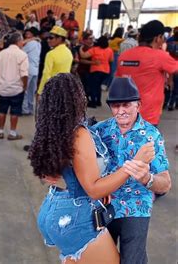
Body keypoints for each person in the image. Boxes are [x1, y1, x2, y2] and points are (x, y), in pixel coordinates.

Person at [30, 73, 154, 264]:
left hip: (54, 207)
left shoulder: (54, 132)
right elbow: (94, 189)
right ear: (77, 98)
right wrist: (133, 164)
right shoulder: (78, 134)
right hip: (76, 216)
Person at [91, 77, 172, 264]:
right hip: (103, 205)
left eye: (126, 105)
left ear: (138, 105)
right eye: (115, 106)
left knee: (133, 261)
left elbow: (165, 184)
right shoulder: (99, 131)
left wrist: (147, 178)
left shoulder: (151, 135)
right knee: (100, 260)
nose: (120, 111)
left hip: (136, 207)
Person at [116, 20, 178, 126]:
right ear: (157, 38)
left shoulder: (124, 56)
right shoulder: (159, 56)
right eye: (163, 38)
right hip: (147, 117)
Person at [0, 33, 28, 140]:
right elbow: (24, 74)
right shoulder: (22, 55)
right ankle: (12, 133)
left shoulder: (2, 53)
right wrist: (25, 86)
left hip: (3, 88)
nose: (23, 43)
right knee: (15, 111)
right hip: (17, 89)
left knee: (2, 110)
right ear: (18, 41)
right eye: (22, 41)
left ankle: (0, 131)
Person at [37, 26, 73, 95]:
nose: (48, 40)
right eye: (48, 38)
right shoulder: (69, 52)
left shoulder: (51, 54)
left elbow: (46, 74)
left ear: (59, 38)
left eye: (51, 38)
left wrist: (40, 91)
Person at [79, 36, 113, 107]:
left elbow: (83, 56)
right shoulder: (109, 50)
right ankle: (98, 101)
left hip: (96, 70)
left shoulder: (95, 49)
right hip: (106, 71)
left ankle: (93, 102)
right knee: (98, 86)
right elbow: (111, 60)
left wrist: (80, 49)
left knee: (93, 86)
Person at [21, 27, 41, 115]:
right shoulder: (38, 43)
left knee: (25, 89)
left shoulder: (30, 43)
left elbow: (21, 51)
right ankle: (30, 108)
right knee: (31, 91)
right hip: (35, 69)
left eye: (28, 33)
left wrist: (27, 41)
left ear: (33, 34)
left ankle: (24, 109)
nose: (26, 34)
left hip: (28, 69)